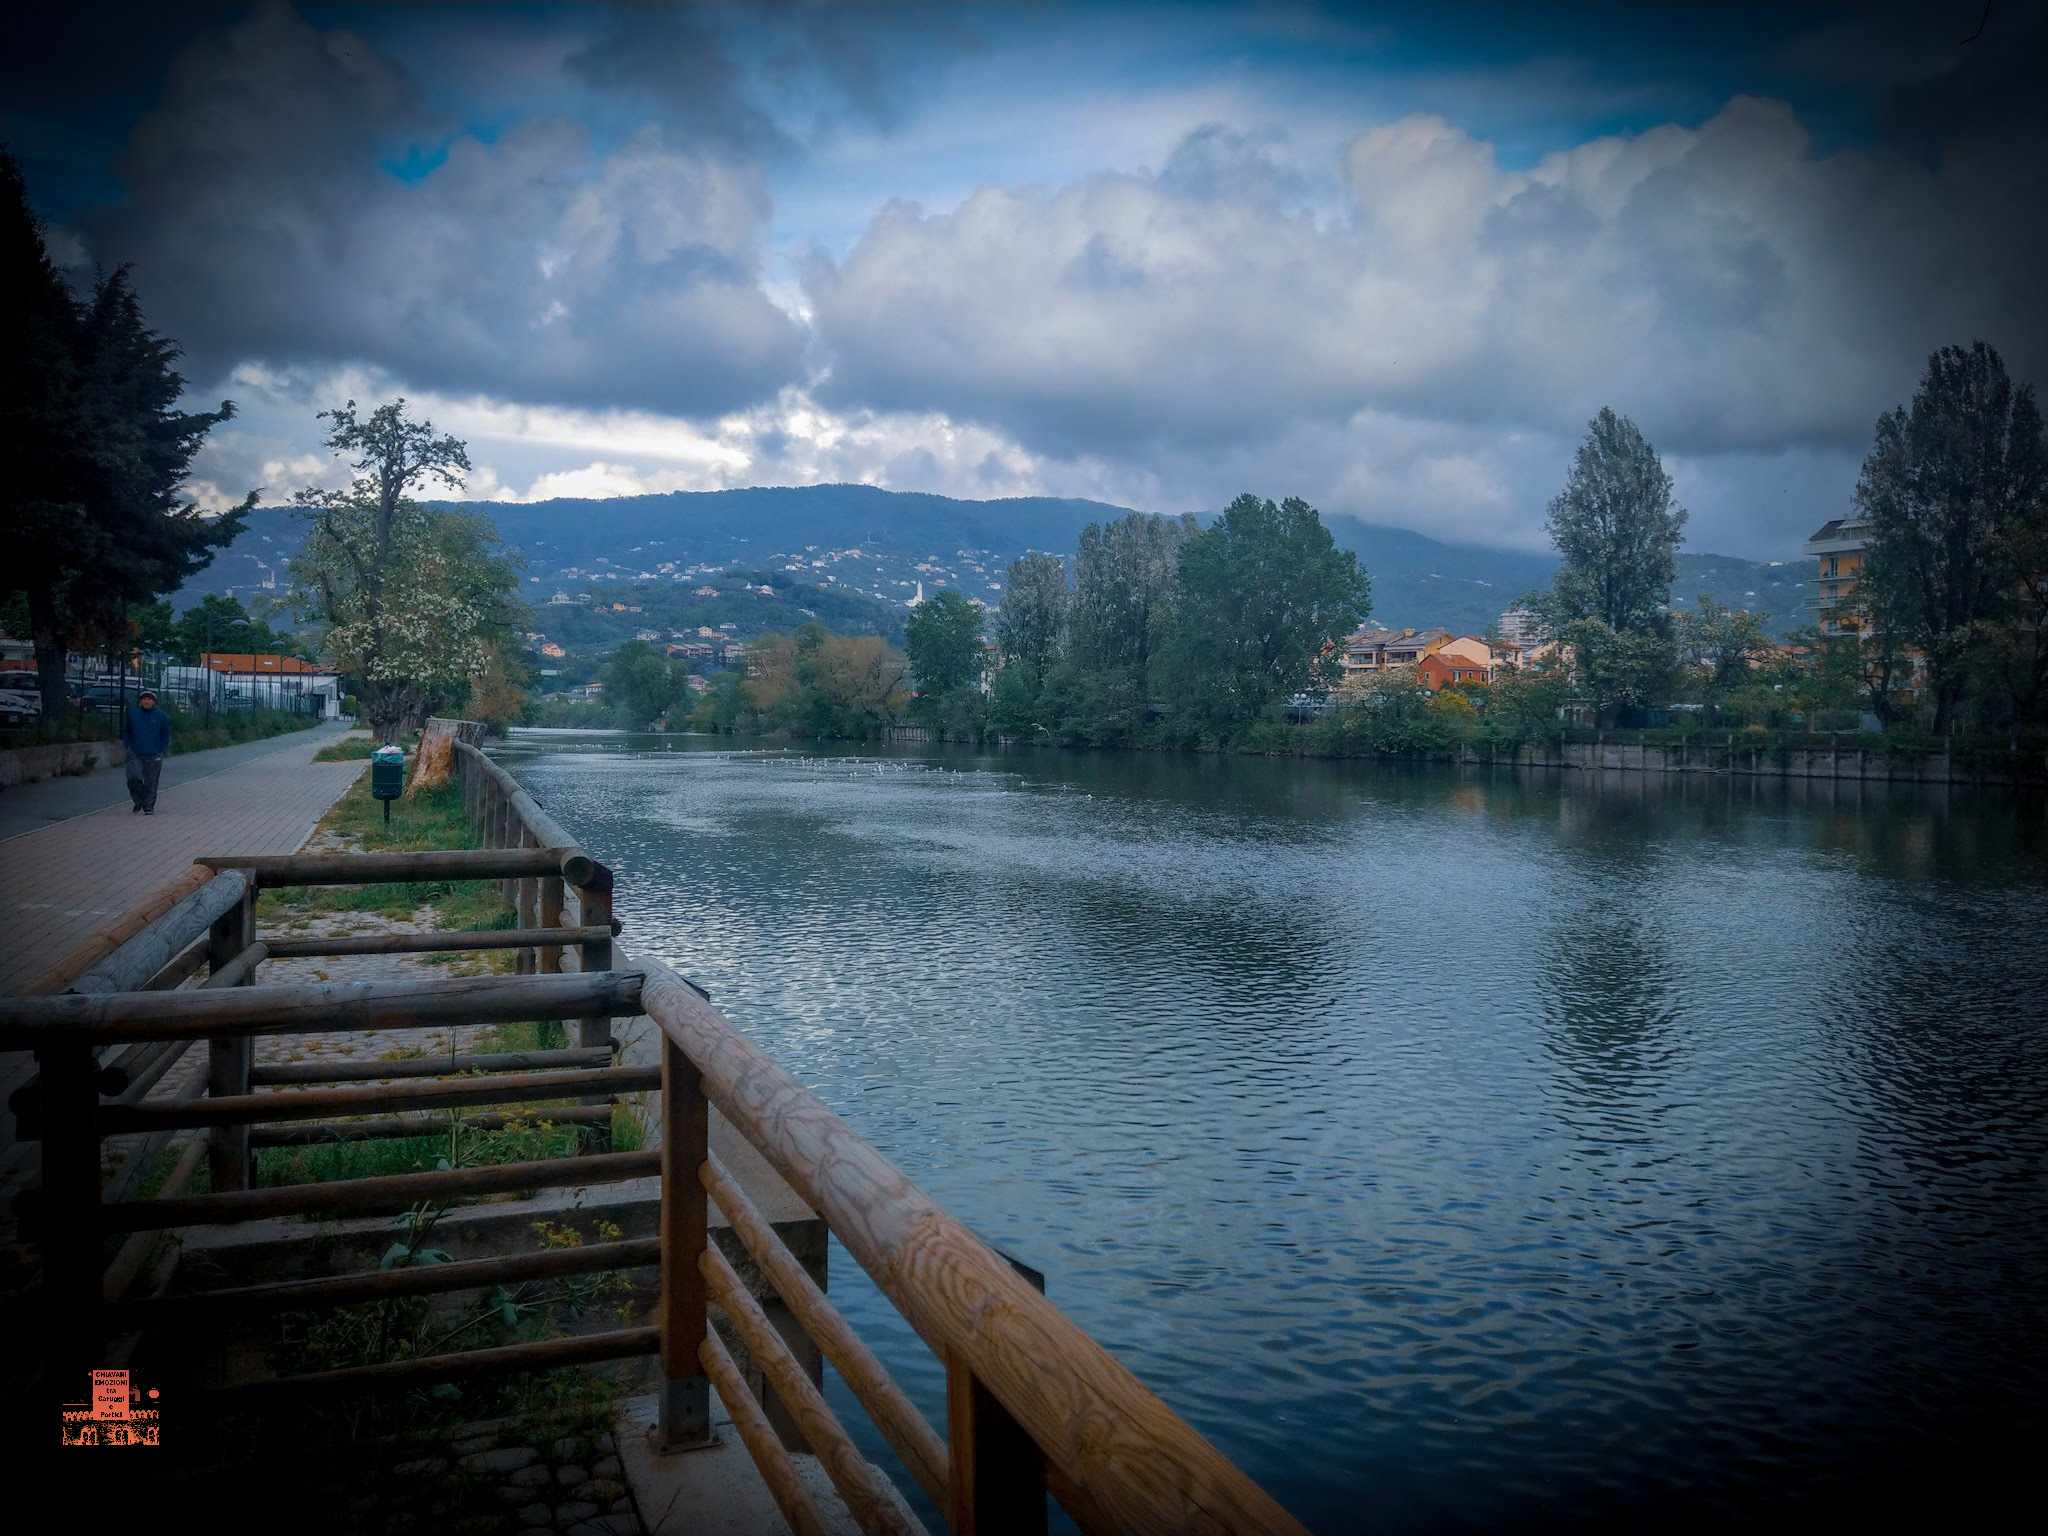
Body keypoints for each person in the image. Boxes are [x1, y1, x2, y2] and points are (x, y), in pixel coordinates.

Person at [122, 688, 170, 814]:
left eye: (149, 699)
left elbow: (165, 734)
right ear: (140, 701)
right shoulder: (133, 714)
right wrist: (128, 746)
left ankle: (148, 806)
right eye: (144, 699)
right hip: (135, 752)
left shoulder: (161, 715)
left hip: (154, 753)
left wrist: (162, 750)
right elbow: (127, 731)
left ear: (153, 701)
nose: (146, 701)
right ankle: (138, 800)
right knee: (134, 777)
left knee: (151, 781)